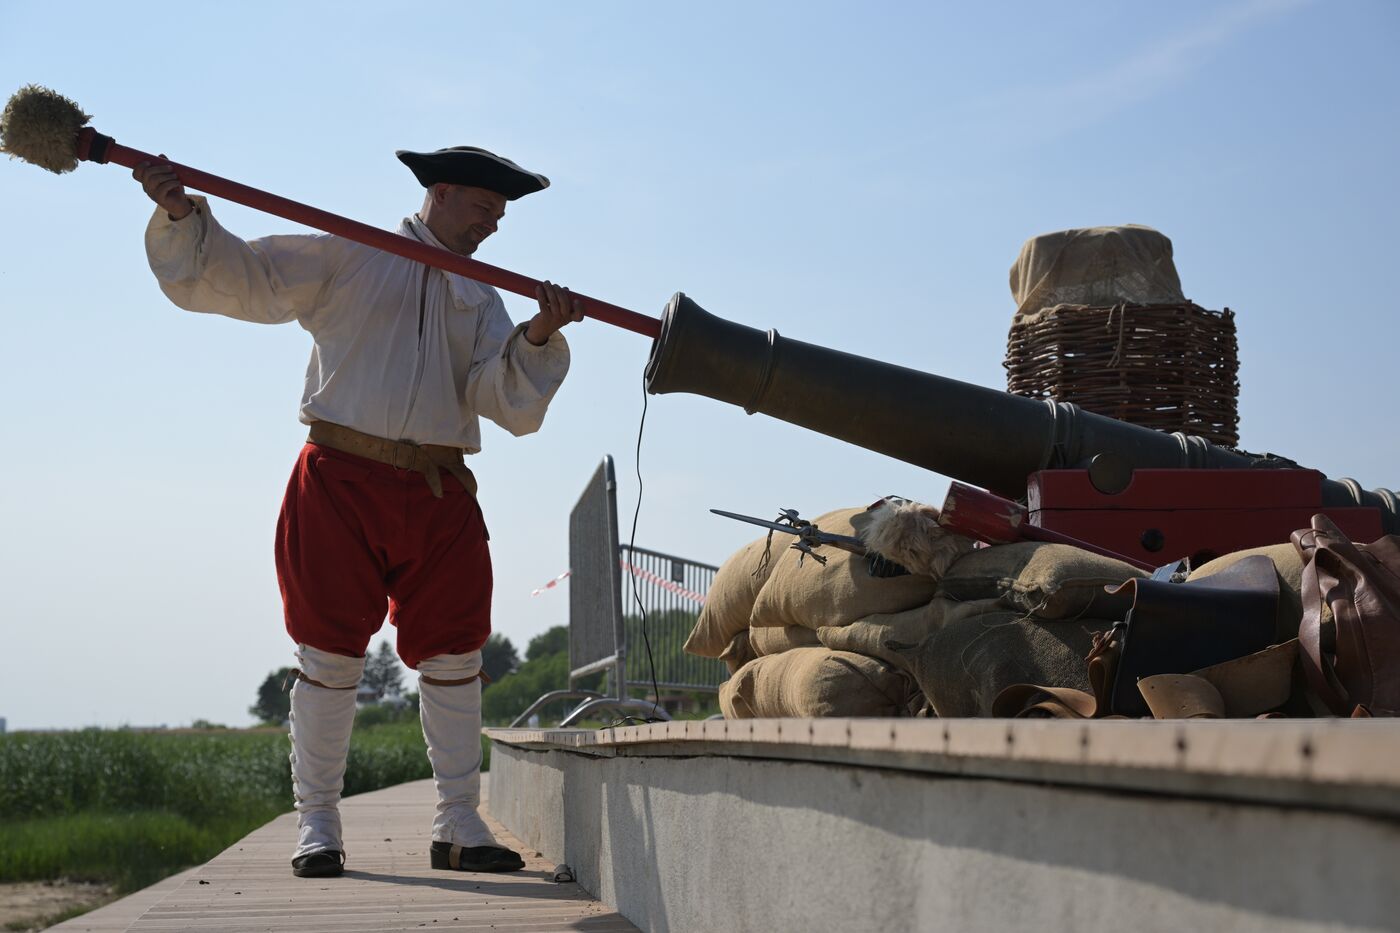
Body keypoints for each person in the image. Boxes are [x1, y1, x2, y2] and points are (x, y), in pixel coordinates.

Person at [135, 145, 583, 878]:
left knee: (456, 656)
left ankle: (459, 820)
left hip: (438, 489)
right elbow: (249, 278)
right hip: (339, 479)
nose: (494, 227)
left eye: (500, 215)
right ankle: (317, 822)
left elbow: (501, 400)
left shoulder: (484, 295)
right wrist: (184, 214)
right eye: (483, 209)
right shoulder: (350, 252)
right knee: (330, 656)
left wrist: (535, 335)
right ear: (439, 194)